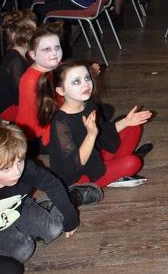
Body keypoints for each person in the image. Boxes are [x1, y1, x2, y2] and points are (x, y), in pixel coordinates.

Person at [38, 61, 152, 191]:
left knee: (133, 126)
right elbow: (73, 166)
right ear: (61, 91)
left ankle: (115, 173)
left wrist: (126, 121)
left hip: (96, 157)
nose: (86, 84)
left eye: (87, 78)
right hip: (79, 176)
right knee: (133, 162)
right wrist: (91, 135)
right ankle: (115, 173)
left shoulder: (89, 104)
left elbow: (104, 134)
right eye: (76, 82)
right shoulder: (60, 122)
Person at [0, 124, 78, 264]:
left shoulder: (27, 169)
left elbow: (53, 185)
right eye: (6, 168)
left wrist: (71, 217)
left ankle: (68, 198)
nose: (17, 172)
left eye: (20, 161)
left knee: (54, 230)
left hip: (19, 205)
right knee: (23, 250)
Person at [15, 26, 63, 149]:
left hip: (56, 117)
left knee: (101, 111)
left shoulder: (55, 67)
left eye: (57, 47)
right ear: (33, 55)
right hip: (37, 134)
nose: (54, 53)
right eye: (47, 49)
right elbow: (44, 117)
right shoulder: (30, 81)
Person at [0, 13, 37, 123]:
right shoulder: (15, 61)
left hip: (14, 101)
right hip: (8, 107)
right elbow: (21, 91)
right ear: (26, 41)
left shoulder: (22, 55)